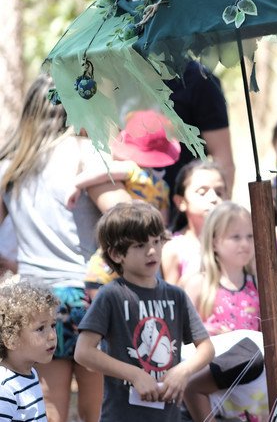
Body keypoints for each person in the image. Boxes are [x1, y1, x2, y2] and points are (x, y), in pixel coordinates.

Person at [0, 74, 131, 422]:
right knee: (96, 411)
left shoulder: (10, 166)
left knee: (48, 408)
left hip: (34, 299)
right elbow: (125, 216)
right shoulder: (84, 153)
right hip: (88, 295)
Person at [74, 201, 214, 422]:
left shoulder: (176, 295)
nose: (152, 251)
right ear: (117, 254)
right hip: (122, 416)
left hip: (169, 416)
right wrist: (135, 374)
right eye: (140, 245)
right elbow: (83, 352)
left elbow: (206, 348)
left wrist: (183, 371)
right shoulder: (111, 295)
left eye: (156, 241)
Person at [68, 109, 182, 224]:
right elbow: (163, 221)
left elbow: (105, 172)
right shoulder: (163, 186)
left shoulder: (132, 169)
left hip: (129, 222)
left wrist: (77, 183)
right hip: (148, 227)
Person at [162, 61, 235, 220]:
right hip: (136, 204)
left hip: (186, 210)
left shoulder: (198, 78)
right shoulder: (120, 72)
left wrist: (221, 220)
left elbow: (222, 157)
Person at [182, 201, 259, 334]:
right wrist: (209, 332)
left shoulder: (258, 285)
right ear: (214, 242)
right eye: (236, 237)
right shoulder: (199, 284)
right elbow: (181, 330)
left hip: (254, 354)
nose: (245, 244)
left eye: (250, 236)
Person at [0, 275, 59, 421]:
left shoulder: (30, 372)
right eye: (40, 329)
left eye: (53, 325)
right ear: (11, 339)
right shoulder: (5, 389)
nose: (52, 336)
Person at [162, 161, 228, 284]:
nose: (214, 198)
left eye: (219, 192)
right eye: (202, 193)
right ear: (181, 202)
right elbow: (171, 297)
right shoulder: (174, 248)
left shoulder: (237, 240)